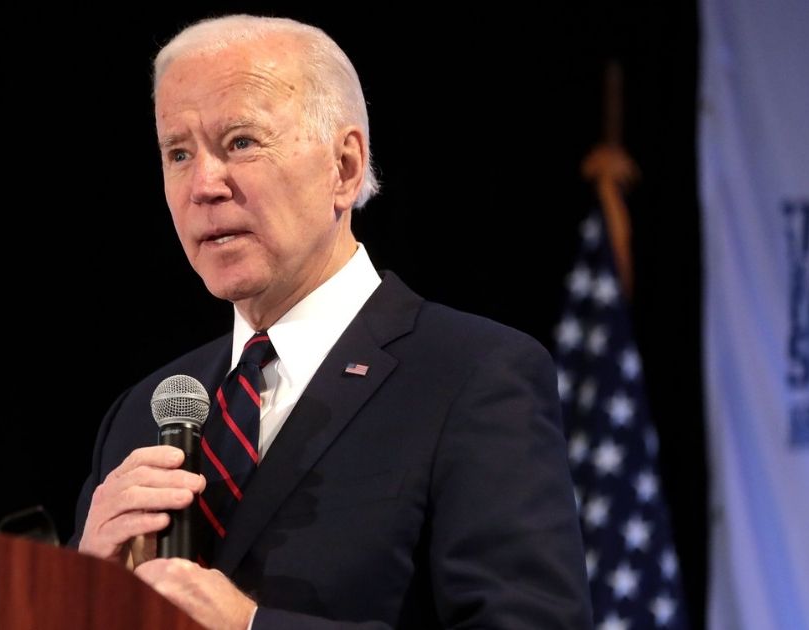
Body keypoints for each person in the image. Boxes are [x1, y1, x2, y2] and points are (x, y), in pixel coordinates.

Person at [69, 14, 591, 630]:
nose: (203, 185)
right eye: (178, 153)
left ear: (343, 167)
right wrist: (74, 595)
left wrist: (252, 628)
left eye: (240, 142)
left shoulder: (473, 377)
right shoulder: (141, 414)